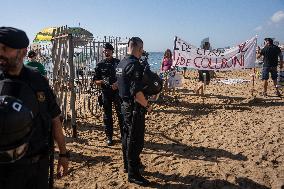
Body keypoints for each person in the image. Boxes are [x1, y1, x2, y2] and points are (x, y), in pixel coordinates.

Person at [0, 27, 68, 189]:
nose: (0, 53)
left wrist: (64, 154)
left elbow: (55, 120)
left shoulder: (38, 81)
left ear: (23, 52)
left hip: (37, 167)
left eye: (5, 49)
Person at [116, 37, 152, 186]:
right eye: (142, 49)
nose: (142, 51)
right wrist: (148, 105)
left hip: (123, 105)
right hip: (133, 107)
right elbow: (137, 93)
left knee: (126, 137)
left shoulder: (121, 63)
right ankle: (133, 174)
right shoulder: (134, 65)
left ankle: (129, 165)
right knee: (135, 140)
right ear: (139, 48)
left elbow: (120, 84)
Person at [92, 42, 123, 146]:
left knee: (121, 114)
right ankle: (109, 137)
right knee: (107, 116)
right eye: (105, 50)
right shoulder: (100, 65)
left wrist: (117, 84)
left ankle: (124, 135)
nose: (107, 52)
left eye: (109, 50)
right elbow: (95, 80)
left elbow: (123, 77)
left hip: (117, 93)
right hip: (106, 93)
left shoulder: (118, 63)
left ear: (112, 51)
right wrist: (101, 82)